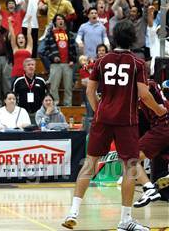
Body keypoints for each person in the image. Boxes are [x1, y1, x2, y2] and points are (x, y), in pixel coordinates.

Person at [62, 20, 167, 231]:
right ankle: (125, 220)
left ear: (113, 38)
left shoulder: (101, 61)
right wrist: (159, 110)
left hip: (103, 119)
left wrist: (100, 109)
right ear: (133, 39)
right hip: (126, 121)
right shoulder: (138, 64)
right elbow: (144, 95)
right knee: (129, 167)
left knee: (90, 164)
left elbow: (90, 92)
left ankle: (73, 211)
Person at [133, 79, 169, 208]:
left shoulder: (143, 85)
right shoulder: (151, 84)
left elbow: (145, 95)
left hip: (162, 126)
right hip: (161, 126)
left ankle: (149, 189)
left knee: (131, 159)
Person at [44, 14, 77, 106]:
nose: (60, 21)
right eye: (58, 19)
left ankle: (68, 105)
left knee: (68, 87)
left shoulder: (69, 34)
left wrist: (72, 60)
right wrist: (53, 57)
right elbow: (45, 50)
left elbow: (73, 49)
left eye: (62, 19)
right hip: (55, 64)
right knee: (54, 87)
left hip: (68, 64)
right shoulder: (50, 34)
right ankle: (54, 105)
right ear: (55, 22)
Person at [12, 58, 48, 123]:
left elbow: (45, 97)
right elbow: (13, 97)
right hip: (22, 113)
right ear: (24, 68)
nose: (31, 66)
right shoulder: (18, 81)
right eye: (28, 65)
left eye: (32, 65)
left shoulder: (41, 81)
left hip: (38, 112)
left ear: (35, 67)